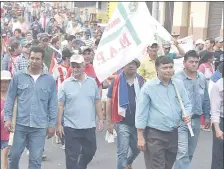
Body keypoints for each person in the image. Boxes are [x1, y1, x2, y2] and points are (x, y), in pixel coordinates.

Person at [4, 46, 58, 169]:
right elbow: (10, 98)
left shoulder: (49, 80)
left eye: (37, 59)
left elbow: (53, 104)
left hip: (39, 127)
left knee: (35, 160)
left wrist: (52, 124)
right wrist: (7, 118)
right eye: (32, 58)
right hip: (19, 125)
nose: (34, 61)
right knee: (13, 156)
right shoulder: (18, 76)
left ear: (42, 60)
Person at [135, 56, 192, 169]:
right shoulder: (148, 87)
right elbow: (141, 112)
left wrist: (187, 114)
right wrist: (140, 136)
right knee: (156, 166)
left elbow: (187, 104)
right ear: (157, 69)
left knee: (168, 165)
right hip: (155, 134)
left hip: (173, 133)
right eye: (165, 68)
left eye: (171, 67)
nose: (168, 70)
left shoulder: (178, 84)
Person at [56, 54, 104, 169]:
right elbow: (60, 105)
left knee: (90, 151)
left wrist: (101, 119)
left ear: (83, 66)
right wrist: (58, 124)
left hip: (89, 126)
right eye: (73, 66)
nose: (76, 69)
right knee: (71, 157)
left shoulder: (92, 82)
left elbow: (97, 102)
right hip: (71, 127)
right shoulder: (65, 85)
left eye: (78, 66)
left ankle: (81, 166)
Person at [173, 50, 211, 169]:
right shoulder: (176, 79)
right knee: (182, 152)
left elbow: (205, 98)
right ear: (184, 63)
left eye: (196, 62)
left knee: (190, 153)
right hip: (181, 121)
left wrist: (207, 116)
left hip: (196, 120)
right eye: (191, 62)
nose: (194, 64)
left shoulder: (202, 77)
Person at [106, 59, 144, 169]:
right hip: (122, 121)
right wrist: (109, 122)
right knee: (122, 152)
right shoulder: (116, 81)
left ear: (137, 66)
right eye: (128, 63)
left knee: (137, 148)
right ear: (123, 66)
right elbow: (109, 101)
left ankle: (128, 163)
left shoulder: (141, 81)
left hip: (138, 123)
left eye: (133, 63)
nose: (131, 66)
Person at [210, 70, 223, 169]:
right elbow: (215, 110)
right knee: (219, 155)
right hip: (221, 122)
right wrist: (217, 129)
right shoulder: (218, 85)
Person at [1, 70, 11, 169]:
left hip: (7, 133)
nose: (3, 84)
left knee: (5, 156)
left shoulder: (12, 97)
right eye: (1, 81)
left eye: (6, 82)